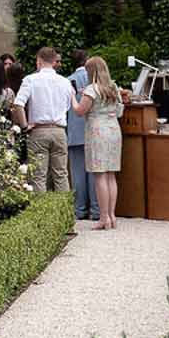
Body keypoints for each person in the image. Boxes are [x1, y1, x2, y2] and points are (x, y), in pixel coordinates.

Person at [10, 46, 73, 194]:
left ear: (38, 61)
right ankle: (63, 213)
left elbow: (18, 104)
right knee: (61, 174)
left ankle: (42, 213)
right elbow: (68, 106)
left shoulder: (31, 80)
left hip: (38, 130)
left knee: (38, 176)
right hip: (59, 131)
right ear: (54, 61)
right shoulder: (65, 82)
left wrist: (25, 126)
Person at [72, 56, 124, 228]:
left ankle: (103, 218)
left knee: (99, 175)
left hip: (97, 131)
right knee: (111, 174)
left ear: (91, 71)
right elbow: (119, 112)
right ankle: (112, 216)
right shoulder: (113, 87)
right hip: (114, 130)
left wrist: (73, 97)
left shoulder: (91, 89)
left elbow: (80, 111)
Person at [67, 48, 101, 225]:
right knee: (95, 173)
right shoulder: (96, 80)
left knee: (78, 173)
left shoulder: (68, 81)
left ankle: (80, 210)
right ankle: (96, 209)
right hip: (93, 132)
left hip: (74, 131)